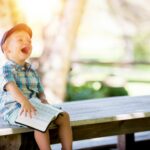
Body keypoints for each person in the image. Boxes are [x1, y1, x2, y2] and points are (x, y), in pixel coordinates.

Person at [0, 23, 72, 150]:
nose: (26, 43)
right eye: (20, 40)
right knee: (40, 122)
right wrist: (24, 102)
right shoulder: (6, 68)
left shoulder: (31, 69)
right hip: (15, 109)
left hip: (34, 106)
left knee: (64, 116)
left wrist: (43, 99)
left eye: (29, 41)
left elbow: (39, 90)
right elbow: (11, 87)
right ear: (7, 48)